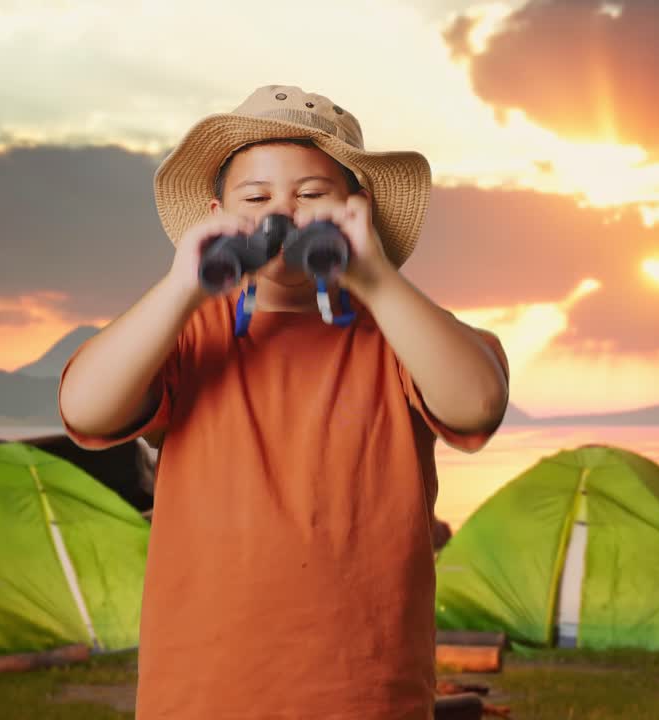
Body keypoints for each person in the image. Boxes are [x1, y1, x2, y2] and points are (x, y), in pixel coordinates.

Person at [57, 85, 510, 719]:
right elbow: (85, 410)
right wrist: (182, 284)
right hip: (203, 693)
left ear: (358, 210)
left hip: (366, 693)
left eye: (312, 195)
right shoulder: (186, 333)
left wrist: (376, 279)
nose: (284, 213)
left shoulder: (400, 332)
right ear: (215, 215)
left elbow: (477, 403)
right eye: (257, 199)